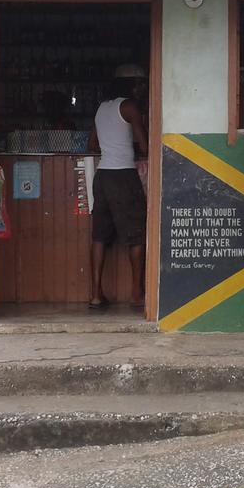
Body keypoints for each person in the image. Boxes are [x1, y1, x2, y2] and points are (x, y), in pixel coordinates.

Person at [86, 64, 148, 311]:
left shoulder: (101, 108)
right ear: (131, 84)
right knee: (135, 235)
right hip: (123, 176)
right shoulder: (130, 107)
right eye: (140, 84)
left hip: (102, 177)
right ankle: (136, 292)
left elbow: (92, 144)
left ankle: (95, 294)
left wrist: (111, 147)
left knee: (99, 236)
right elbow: (144, 146)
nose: (142, 88)